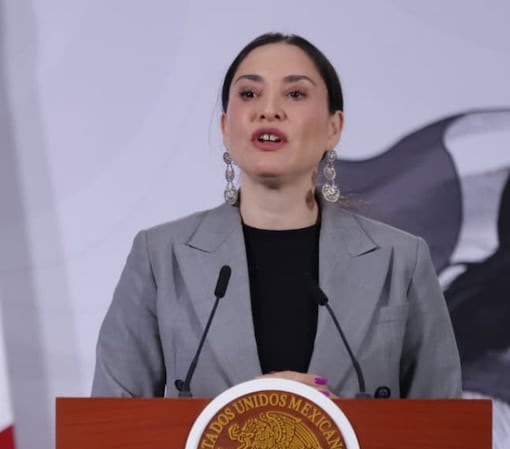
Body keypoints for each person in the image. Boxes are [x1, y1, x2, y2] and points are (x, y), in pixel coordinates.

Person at [91, 32, 462, 400]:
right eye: (249, 94)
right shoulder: (160, 256)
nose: (268, 110)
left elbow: (444, 428)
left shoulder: (400, 260)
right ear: (226, 127)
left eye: (295, 94)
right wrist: (243, 414)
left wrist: (335, 421)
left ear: (334, 128)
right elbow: (109, 426)